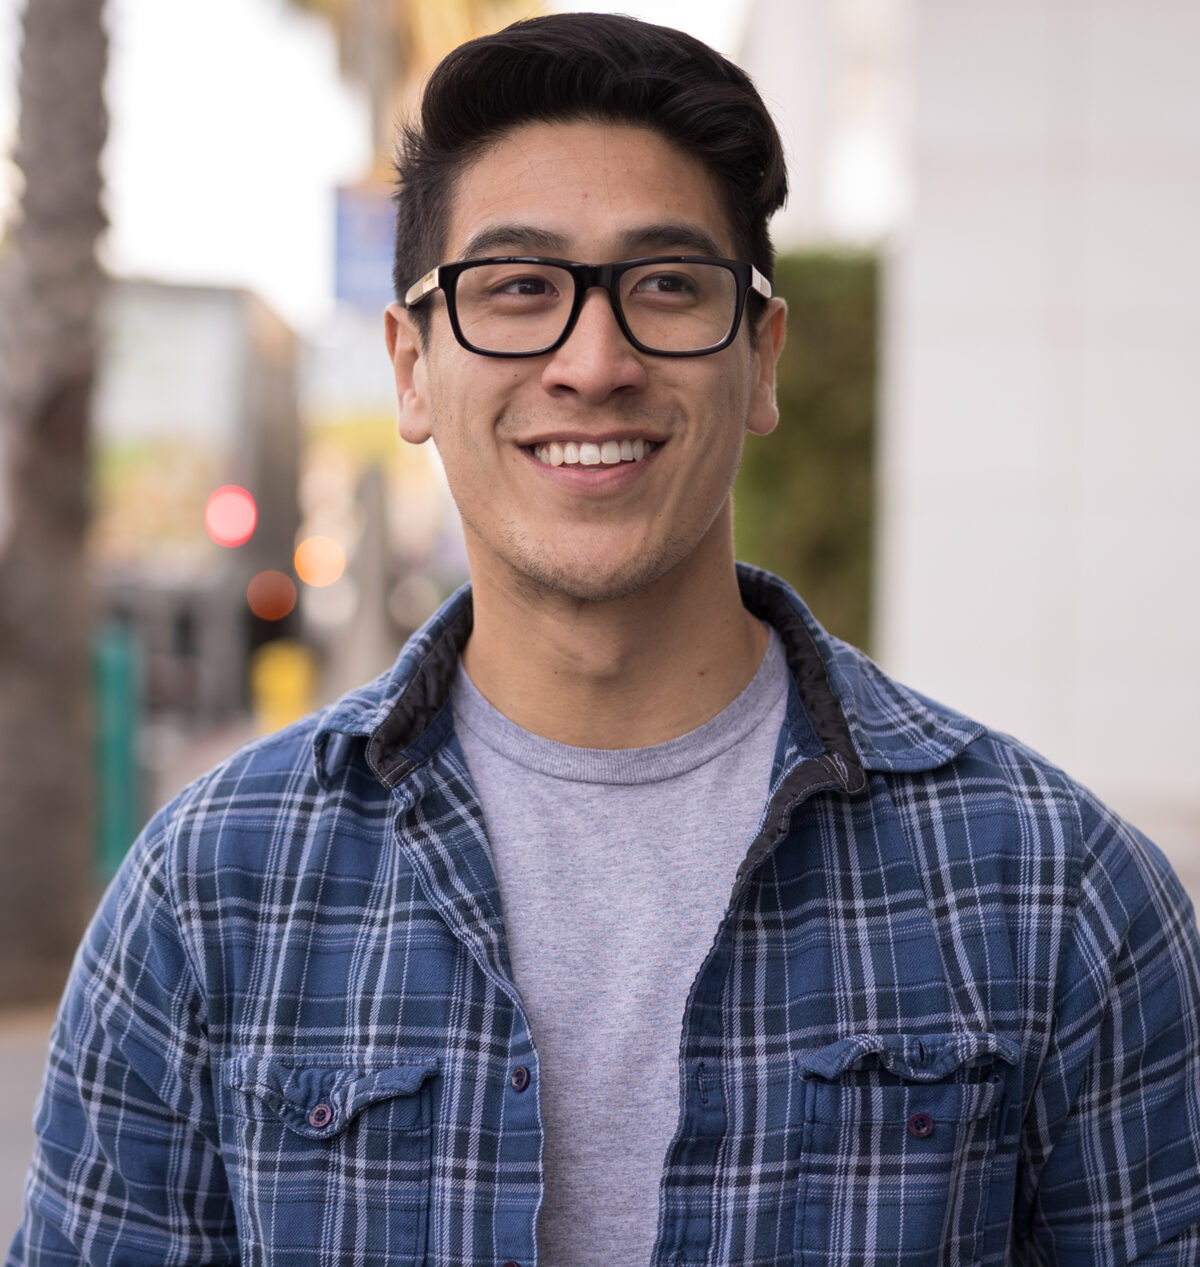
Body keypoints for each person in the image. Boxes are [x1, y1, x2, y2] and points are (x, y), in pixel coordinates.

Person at [11, 12, 1200, 1266]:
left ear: (762, 359)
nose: (594, 360)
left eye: (667, 286)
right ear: (412, 368)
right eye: (519, 288)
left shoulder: (1056, 889)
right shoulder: (212, 889)